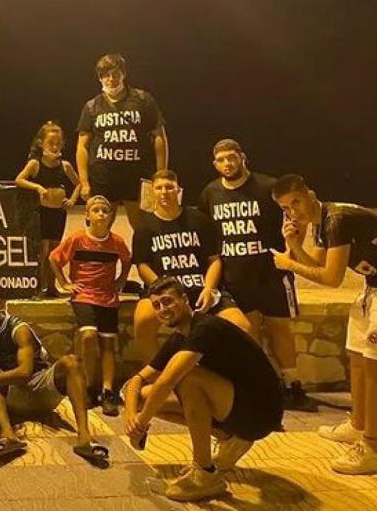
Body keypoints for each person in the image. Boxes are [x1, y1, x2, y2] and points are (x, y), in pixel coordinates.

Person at [271, 174, 377, 474]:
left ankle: (371, 448)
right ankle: (357, 426)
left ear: (310, 194)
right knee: (356, 354)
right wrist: (293, 244)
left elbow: (332, 278)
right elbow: (317, 264)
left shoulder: (336, 220)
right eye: (286, 208)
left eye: (296, 202)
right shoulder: (320, 222)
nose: (294, 212)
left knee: (374, 364)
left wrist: (289, 263)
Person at [123, 277, 284, 502]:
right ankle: (228, 436)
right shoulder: (179, 338)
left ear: (185, 300)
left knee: (187, 379)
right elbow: (136, 381)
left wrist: (141, 424)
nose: (163, 309)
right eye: (157, 305)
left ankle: (205, 473)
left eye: (168, 301)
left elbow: (166, 381)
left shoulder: (205, 328)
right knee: (145, 396)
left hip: (261, 412)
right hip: (233, 405)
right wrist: (131, 417)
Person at [197, 140, 315, 411]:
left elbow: (296, 218)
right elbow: (205, 233)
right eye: (221, 160)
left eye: (232, 158)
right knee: (249, 333)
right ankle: (261, 386)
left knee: (279, 329)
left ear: (243, 158)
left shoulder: (267, 187)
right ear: (215, 164)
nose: (227, 164)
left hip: (272, 272)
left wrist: (292, 252)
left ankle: (292, 385)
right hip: (236, 275)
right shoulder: (210, 193)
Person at [0, 279, 109, 466]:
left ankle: (84, 437)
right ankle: (8, 435)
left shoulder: (18, 329)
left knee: (71, 362)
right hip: (14, 395)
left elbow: (25, 372)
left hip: (40, 387)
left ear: (1, 302)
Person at [131, 170, 253, 363]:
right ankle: (159, 373)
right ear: (152, 191)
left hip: (200, 288)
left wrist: (209, 288)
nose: (164, 192)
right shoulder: (144, 227)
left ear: (178, 190)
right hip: (165, 290)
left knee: (242, 326)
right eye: (159, 188)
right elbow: (142, 264)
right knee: (143, 320)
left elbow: (214, 260)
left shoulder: (198, 220)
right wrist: (162, 290)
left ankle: (223, 373)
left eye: (169, 187)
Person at [49, 195, 131, 416]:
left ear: (111, 216)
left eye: (105, 211)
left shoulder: (117, 242)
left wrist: (121, 281)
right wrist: (64, 282)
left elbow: (127, 260)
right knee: (87, 336)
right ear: (87, 215)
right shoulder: (77, 239)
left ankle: (106, 391)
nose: (101, 214)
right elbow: (53, 258)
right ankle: (86, 386)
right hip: (84, 296)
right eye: (96, 210)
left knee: (108, 344)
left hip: (108, 298)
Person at [75, 53, 168, 231]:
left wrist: (161, 174)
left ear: (123, 74)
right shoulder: (92, 106)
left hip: (138, 175)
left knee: (144, 228)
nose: (111, 79)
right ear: (100, 78)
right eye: (105, 75)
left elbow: (159, 137)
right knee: (100, 226)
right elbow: (82, 146)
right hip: (103, 176)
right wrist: (84, 182)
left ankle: (141, 260)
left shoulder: (143, 100)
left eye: (115, 74)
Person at [16, 121, 81, 298]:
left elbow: (79, 183)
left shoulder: (65, 165)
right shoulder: (35, 164)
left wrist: (73, 199)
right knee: (42, 251)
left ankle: (51, 286)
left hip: (58, 212)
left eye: (58, 143)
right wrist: (37, 187)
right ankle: (39, 286)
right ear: (41, 143)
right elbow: (19, 180)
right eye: (50, 143)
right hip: (42, 212)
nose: (54, 146)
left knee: (55, 251)